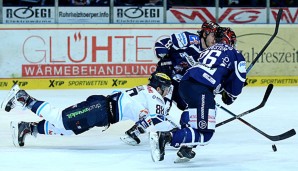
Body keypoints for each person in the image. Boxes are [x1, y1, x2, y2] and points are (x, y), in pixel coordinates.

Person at [149, 27, 247, 162]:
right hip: (200, 89)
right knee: (205, 134)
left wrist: (223, 87)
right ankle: (167, 137)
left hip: (185, 84)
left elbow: (214, 76)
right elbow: (236, 83)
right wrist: (230, 95)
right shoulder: (236, 54)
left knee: (198, 113)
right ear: (229, 40)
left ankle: (186, 147)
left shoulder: (206, 50)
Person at [1, 72, 175, 147]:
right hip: (100, 109)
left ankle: (27, 128)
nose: (167, 92)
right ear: (160, 87)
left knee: (68, 130)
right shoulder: (154, 96)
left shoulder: (145, 91)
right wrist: (176, 132)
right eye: (166, 88)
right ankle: (23, 98)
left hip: (102, 111)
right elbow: (158, 121)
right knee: (60, 119)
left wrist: (137, 129)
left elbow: (143, 117)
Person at [120, 21, 220, 146]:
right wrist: (166, 57)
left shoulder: (212, 54)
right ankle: (136, 130)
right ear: (205, 33)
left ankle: (188, 132)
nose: (215, 40)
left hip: (183, 84)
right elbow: (161, 43)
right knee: (162, 107)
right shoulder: (189, 39)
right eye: (213, 36)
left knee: (194, 105)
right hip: (165, 77)